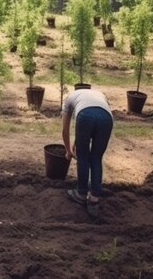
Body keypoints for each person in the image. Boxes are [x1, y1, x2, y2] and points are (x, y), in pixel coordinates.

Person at [62, 86, 113, 218]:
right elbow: (98, 112)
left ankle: (81, 194)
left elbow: (65, 130)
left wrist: (68, 150)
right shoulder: (99, 93)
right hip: (107, 118)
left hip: (85, 116)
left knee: (83, 157)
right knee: (96, 158)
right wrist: (74, 145)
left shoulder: (68, 100)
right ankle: (94, 198)